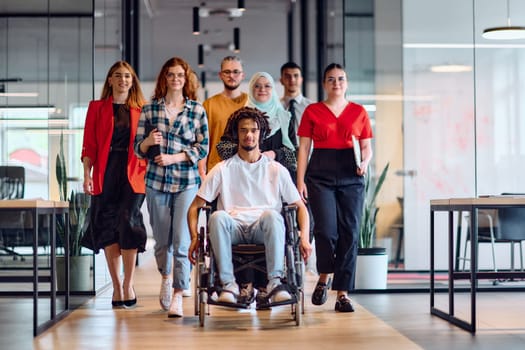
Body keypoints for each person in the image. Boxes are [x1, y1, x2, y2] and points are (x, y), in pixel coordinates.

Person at [187, 107, 312, 306]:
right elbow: (194, 207)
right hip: (232, 229)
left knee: (272, 215)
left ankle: (275, 283)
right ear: (236, 134)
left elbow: (300, 207)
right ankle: (228, 285)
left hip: (264, 228)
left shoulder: (276, 169)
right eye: (244, 130)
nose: (249, 135)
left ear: (261, 133)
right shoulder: (222, 169)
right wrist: (194, 238)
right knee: (217, 217)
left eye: (254, 130)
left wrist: (304, 238)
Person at [134, 57, 208, 318]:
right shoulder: (150, 109)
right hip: (156, 183)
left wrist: (175, 157)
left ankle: (178, 293)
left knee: (181, 239)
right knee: (162, 241)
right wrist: (147, 143)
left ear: (186, 79)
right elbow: (137, 148)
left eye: (180, 75)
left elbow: (203, 147)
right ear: (164, 78)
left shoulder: (196, 110)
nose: (175, 79)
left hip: (187, 183)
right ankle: (165, 276)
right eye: (171, 74)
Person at [296, 63, 373, 313]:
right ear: (324, 84)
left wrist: (365, 162)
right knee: (327, 232)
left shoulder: (359, 111)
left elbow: (366, 147)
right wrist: (300, 181)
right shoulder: (313, 111)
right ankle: (325, 274)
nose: (336, 83)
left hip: (352, 174)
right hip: (320, 173)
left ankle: (343, 294)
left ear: (347, 83)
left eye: (341, 79)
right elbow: (304, 149)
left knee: (350, 233)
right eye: (331, 79)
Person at [81, 60, 147, 309]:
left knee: (128, 219)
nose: (123, 80)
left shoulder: (142, 109)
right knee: (108, 224)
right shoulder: (97, 108)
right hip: (105, 171)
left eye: (127, 76)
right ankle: (117, 285)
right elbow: (89, 144)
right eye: (118, 76)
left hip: (133, 171)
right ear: (110, 80)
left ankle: (129, 283)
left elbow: (148, 145)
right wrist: (87, 173)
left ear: (133, 81)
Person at [217, 72, 296, 176]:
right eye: (257, 86)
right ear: (250, 89)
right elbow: (223, 149)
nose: (262, 89)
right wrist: (246, 151)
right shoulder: (239, 117)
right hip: (244, 176)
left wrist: (274, 154)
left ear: (273, 89)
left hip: (277, 179)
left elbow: (293, 155)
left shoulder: (284, 118)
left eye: (267, 86)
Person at [200, 56, 247, 174]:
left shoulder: (251, 103)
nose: (231, 75)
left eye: (236, 72)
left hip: (246, 169)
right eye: (227, 72)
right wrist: (202, 171)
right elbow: (202, 142)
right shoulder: (209, 105)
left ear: (243, 75)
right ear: (220, 75)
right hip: (216, 170)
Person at [279, 62, 313, 148]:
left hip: (307, 156)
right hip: (281, 157)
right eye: (287, 76)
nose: (292, 79)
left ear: (301, 79)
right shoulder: (276, 107)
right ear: (281, 80)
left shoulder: (312, 107)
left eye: (296, 75)